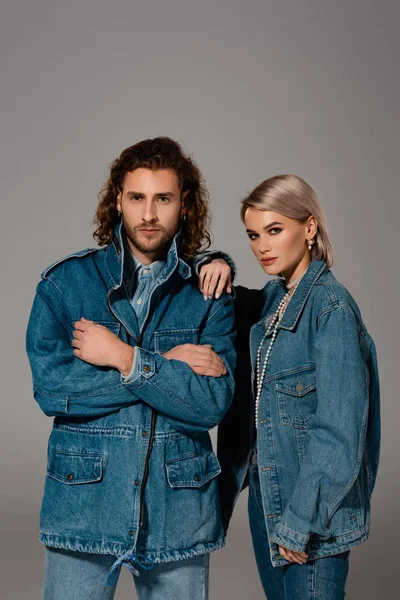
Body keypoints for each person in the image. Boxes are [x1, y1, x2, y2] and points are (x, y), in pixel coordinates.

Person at [26, 137, 236, 600]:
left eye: (163, 198)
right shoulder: (65, 285)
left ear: (184, 205)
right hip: (84, 505)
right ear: (118, 200)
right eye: (137, 197)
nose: (148, 214)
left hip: (177, 514)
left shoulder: (209, 292)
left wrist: (127, 359)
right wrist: (167, 369)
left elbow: (210, 403)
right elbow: (53, 389)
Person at [198, 174, 380, 599]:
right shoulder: (272, 301)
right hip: (269, 498)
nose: (262, 246)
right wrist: (218, 260)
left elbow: (339, 431)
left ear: (310, 228)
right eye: (253, 235)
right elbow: (214, 291)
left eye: (275, 231)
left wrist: (300, 522)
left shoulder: (330, 309)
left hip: (311, 512)